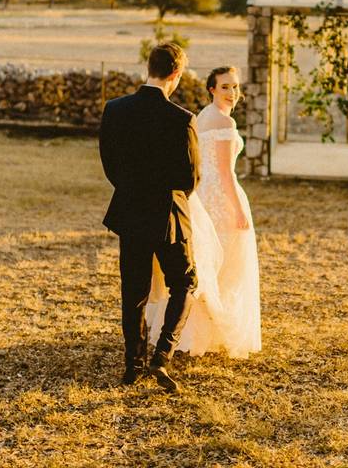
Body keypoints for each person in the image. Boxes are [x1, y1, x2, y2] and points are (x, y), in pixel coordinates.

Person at [98, 42, 200, 393]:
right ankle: (162, 357)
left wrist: (132, 189)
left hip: (130, 212)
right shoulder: (182, 119)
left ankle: (132, 364)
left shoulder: (115, 110)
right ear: (175, 74)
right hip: (169, 216)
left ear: (149, 67)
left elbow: (109, 165)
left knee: (134, 293)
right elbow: (190, 178)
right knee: (184, 283)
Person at [146, 66, 261, 359]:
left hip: (199, 194)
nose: (232, 93)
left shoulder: (202, 115)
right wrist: (238, 209)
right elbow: (225, 172)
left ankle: (189, 331)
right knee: (224, 264)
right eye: (225, 87)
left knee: (202, 262)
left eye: (235, 87)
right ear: (212, 89)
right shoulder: (224, 122)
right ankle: (211, 332)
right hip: (221, 198)